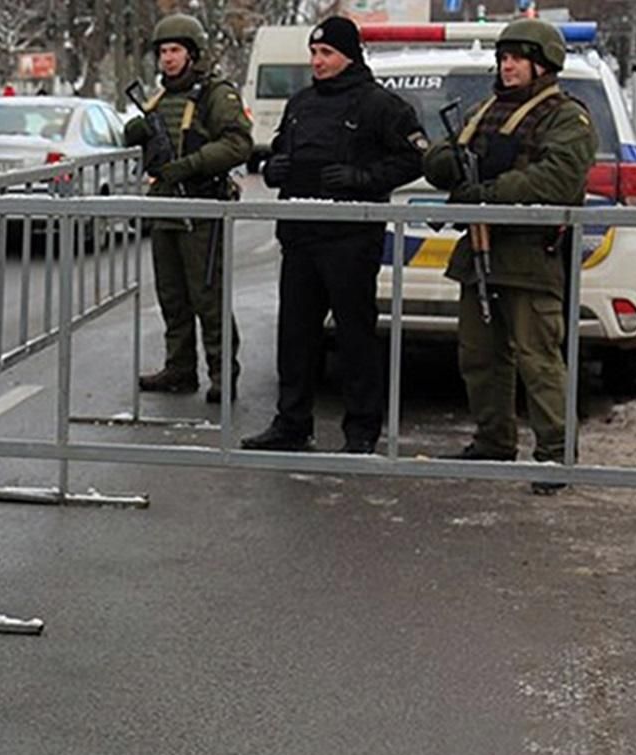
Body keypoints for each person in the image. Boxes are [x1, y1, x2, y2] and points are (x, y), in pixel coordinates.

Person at [423, 18, 596, 494]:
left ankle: (555, 456)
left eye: (517, 57)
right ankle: (494, 439)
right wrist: (450, 165)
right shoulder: (485, 110)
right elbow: (439, 158)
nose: (508, 65)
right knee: (479, 355)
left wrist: (489, 192)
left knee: (537, 359)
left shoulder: (567, 116)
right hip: (480, 250)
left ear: (542, 64)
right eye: (503, 58)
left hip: (529, 255)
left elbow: (557, 178)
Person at [239, 16, 425, 454]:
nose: (317, 61)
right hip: (301, 237)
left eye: (326, 54)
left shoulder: (380, 105)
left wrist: (362, 178)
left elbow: (413, 160)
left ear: (349, 56)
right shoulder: (301, 103)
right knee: (296, 335)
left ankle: (360, 430)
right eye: (314, 53)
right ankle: (291, 423)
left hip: (349, 239)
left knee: (355, 336)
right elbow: (280, 151)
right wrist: (273, 168)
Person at [124, 13, 254, 404]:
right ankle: (179, 368)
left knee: (207, 296)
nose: (168, 58)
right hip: (165, 205)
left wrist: (192, 164)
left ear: (193, 53)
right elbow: (150, 150)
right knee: (172, 295)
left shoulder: (216, 94)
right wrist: (135, 134)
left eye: (176, 50)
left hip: (202, 207)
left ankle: (221, 373)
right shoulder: (159, 98)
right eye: (163, 51)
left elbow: (238, 143)